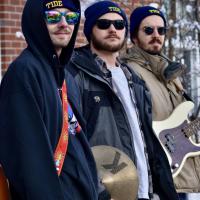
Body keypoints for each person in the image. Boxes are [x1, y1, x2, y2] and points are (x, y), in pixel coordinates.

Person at [68, 1, 178, 200]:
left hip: (143, 190)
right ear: (89, 29)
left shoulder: (134, 79)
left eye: (119, 25)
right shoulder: (74, 74)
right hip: (107, 191)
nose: (112, 29)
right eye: (103, 24)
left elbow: (145, 139)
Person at [0, 0, 99, 199]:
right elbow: (28, 160)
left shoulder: (66, 76)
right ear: (37, 21)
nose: (64, 23)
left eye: (71, 17)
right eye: (53, 16)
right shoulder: (25, 73)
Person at [121, 5, 200, 200]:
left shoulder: (171, 74)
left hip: (180, 174)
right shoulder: (129, 71)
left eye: (161, 30)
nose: (156, 35)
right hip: (155, 178)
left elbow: (182, 123)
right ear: (134, 37)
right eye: (148, 30)